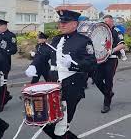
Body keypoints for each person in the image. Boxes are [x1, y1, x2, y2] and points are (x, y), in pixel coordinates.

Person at [25, 10, 97, 139]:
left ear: (75, 24)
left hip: (71, 87)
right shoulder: (57, 39)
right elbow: (43, 54)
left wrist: (73, 64)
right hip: (53, 87)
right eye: (61, 22)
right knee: (45, 122)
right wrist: (33, 65)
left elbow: (92, 64)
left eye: (65, 22)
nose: (61, 25)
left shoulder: (83, 41)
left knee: (61, 128)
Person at [93, 15, 125, 113]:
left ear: (112, 22)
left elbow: (122, 45)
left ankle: (106, 104)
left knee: (108, 82)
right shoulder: (101, 31)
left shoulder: (116, 31)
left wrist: (111, 51)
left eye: (107, 21)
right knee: (96, 79)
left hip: (111, 59)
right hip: (100, 59)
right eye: (104, 21)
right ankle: (108, 94)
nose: (105, 23)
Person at [0, 18, 16, 114]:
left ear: (5, 26)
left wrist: (4, 52)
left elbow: (13, 49)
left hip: (4, 64)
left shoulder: (11, 36)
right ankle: (6, 95)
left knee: (2, 85)